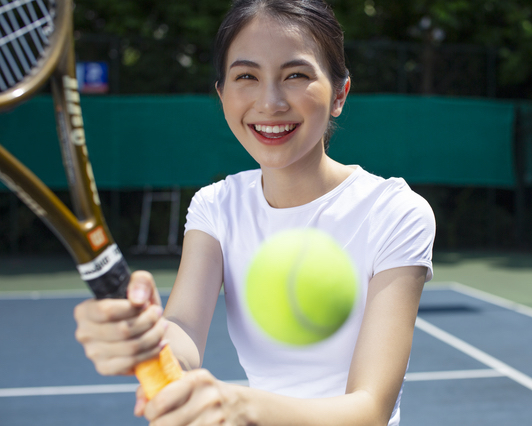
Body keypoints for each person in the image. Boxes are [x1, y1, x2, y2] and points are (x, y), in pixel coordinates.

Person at [73, 0, 436, 424]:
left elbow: (369, 409)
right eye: (246, 76)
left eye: (295, 75)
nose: (270, 102)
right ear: (222, 95)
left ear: (339, 94)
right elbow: (185, 336)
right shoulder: (215, 207)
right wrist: (148, 338)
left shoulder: (395, 212)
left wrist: (241, 405)